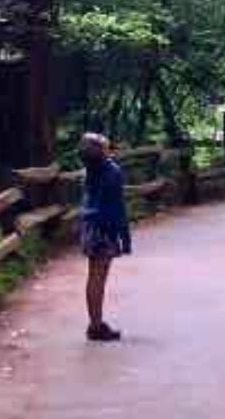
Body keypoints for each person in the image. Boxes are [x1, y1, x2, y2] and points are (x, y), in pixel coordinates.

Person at [78, 132, 130, 342]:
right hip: (104, 228)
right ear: (102, 150)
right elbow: (118, 207)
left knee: (94, 277)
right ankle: (96, 326)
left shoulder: (89, 170)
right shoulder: (112, 171)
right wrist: (125, 238)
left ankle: (95, 322)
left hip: (89, 225)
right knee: (99, 278)